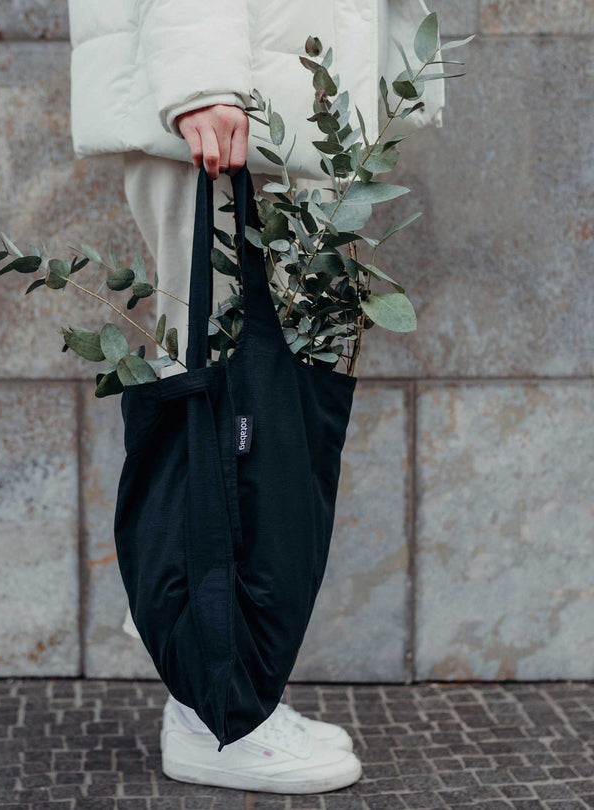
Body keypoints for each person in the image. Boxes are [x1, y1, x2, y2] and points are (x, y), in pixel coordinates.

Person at [67, 0, 446, 793]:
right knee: (225, 413)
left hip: (285, 106)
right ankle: (217, 713)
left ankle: (230, 690)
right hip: (224, 104)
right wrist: (202, 78)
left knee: (269, 427)